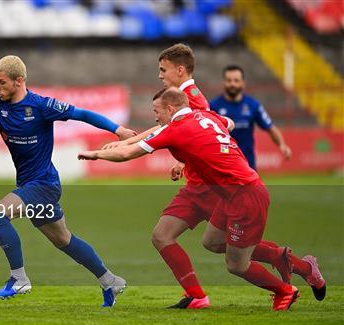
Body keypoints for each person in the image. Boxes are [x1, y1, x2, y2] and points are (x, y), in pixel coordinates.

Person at [103, 45, 325, 308]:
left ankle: (284, 271)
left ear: (179, 70)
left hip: (211, 188)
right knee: (200, 240)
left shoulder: (191, 98)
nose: (160, 75)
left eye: (163, 70)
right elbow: (186, 133)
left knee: (227, 249)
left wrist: (124, 144)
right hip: (199, 185)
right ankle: (205, 293)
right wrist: (183, 162)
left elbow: (191, 134)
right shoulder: (183, 96)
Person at [0, 55, 136, 307]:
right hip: (30, 186)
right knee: (63, 240)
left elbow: (82, 114)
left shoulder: (42, 106)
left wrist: (117, 129)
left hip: (44, 185)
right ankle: (110, 281)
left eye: (1, 82)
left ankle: (18, 278)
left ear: (18, 81)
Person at [79, 88, 305, 310]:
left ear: (170, 108)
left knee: (236, 265)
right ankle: (198, 295)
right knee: (210, 242)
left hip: (245, 195)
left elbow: (127, 155)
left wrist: (96, 154)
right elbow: (229, 124)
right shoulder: (207, 116)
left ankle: (284, 290)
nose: (155, 116)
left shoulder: (176, 128)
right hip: (231, 194)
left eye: (156, 111)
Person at [210, 64, 292, 170]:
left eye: (236, 80)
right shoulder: (213, 106)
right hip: (223, 166)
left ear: (243, 83)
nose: (232, 84)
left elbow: (270, 128)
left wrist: (282, 145)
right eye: (229, 80)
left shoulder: (253, 105)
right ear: (224, 83)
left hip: (248, 165)